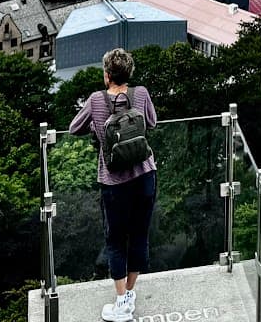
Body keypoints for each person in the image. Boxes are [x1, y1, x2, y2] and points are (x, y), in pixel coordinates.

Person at [69, 47, 158, 322]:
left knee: (116, 240)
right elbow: (152, 122)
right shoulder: (141, 93)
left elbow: (74, 128)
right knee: (140, 236)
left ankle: (121, 303)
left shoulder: (97, 100)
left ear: (107, 75)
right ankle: (129, 294)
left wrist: (98, 126)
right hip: (145, 175)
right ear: (129, 74)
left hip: (114, 181)